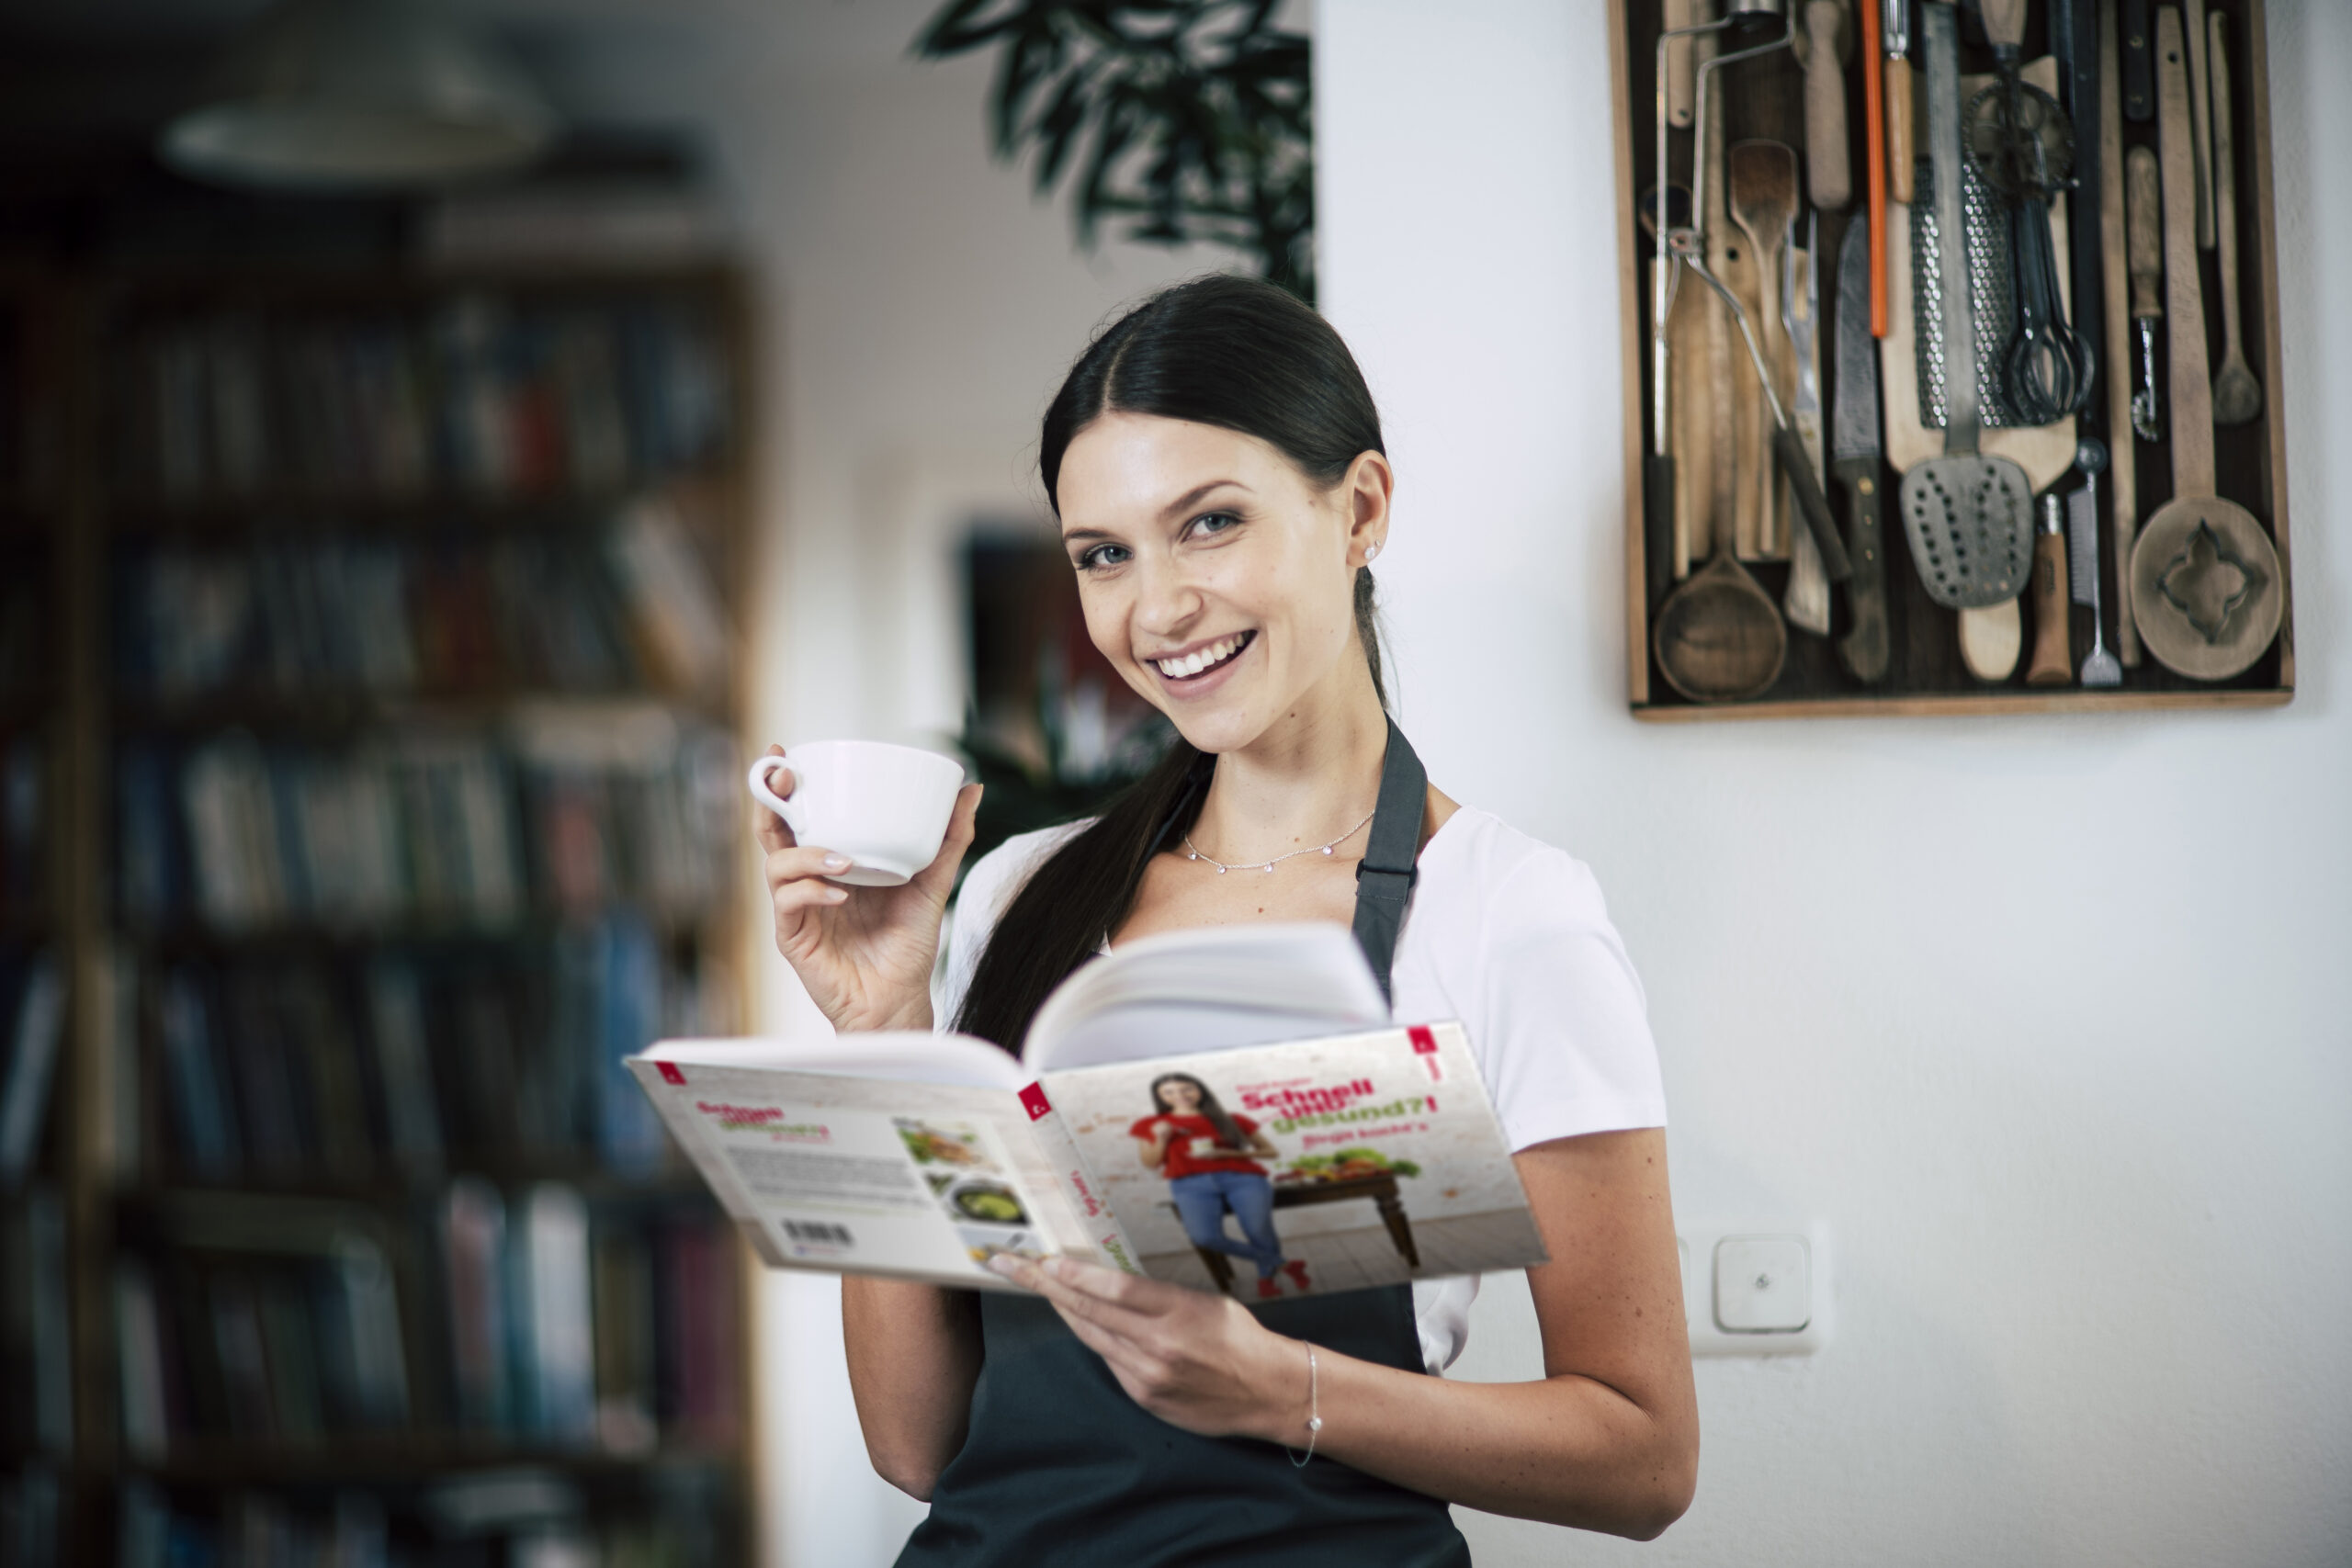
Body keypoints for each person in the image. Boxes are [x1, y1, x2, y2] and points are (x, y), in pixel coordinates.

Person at [754, 273, 1698, 1565]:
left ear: (1358, 507)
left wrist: (1283, 1390)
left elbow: (1641, 1455)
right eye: (1104, 554)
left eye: (1209, 523)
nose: (1156, 610)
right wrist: (882, 1031)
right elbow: (919, 1444)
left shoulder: (1504, 911)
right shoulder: (1019, 895)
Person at [1134, 1072, 1304, 1301]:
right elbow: (1150, 1163)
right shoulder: (1151, 1125)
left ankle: (1267, 1279)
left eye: (1186, 1089)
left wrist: (1226, 1152)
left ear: (1200, 1090)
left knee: (1258, 1230)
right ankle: (1283, 1264)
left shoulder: (1230, 1119)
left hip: (1243, 1179)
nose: (1180, 1095)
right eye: (1169, 1092)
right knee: (1204, 1237)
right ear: (1159, 1096)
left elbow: (1270, 1152)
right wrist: (1161, 1138)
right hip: (1189, 1184)